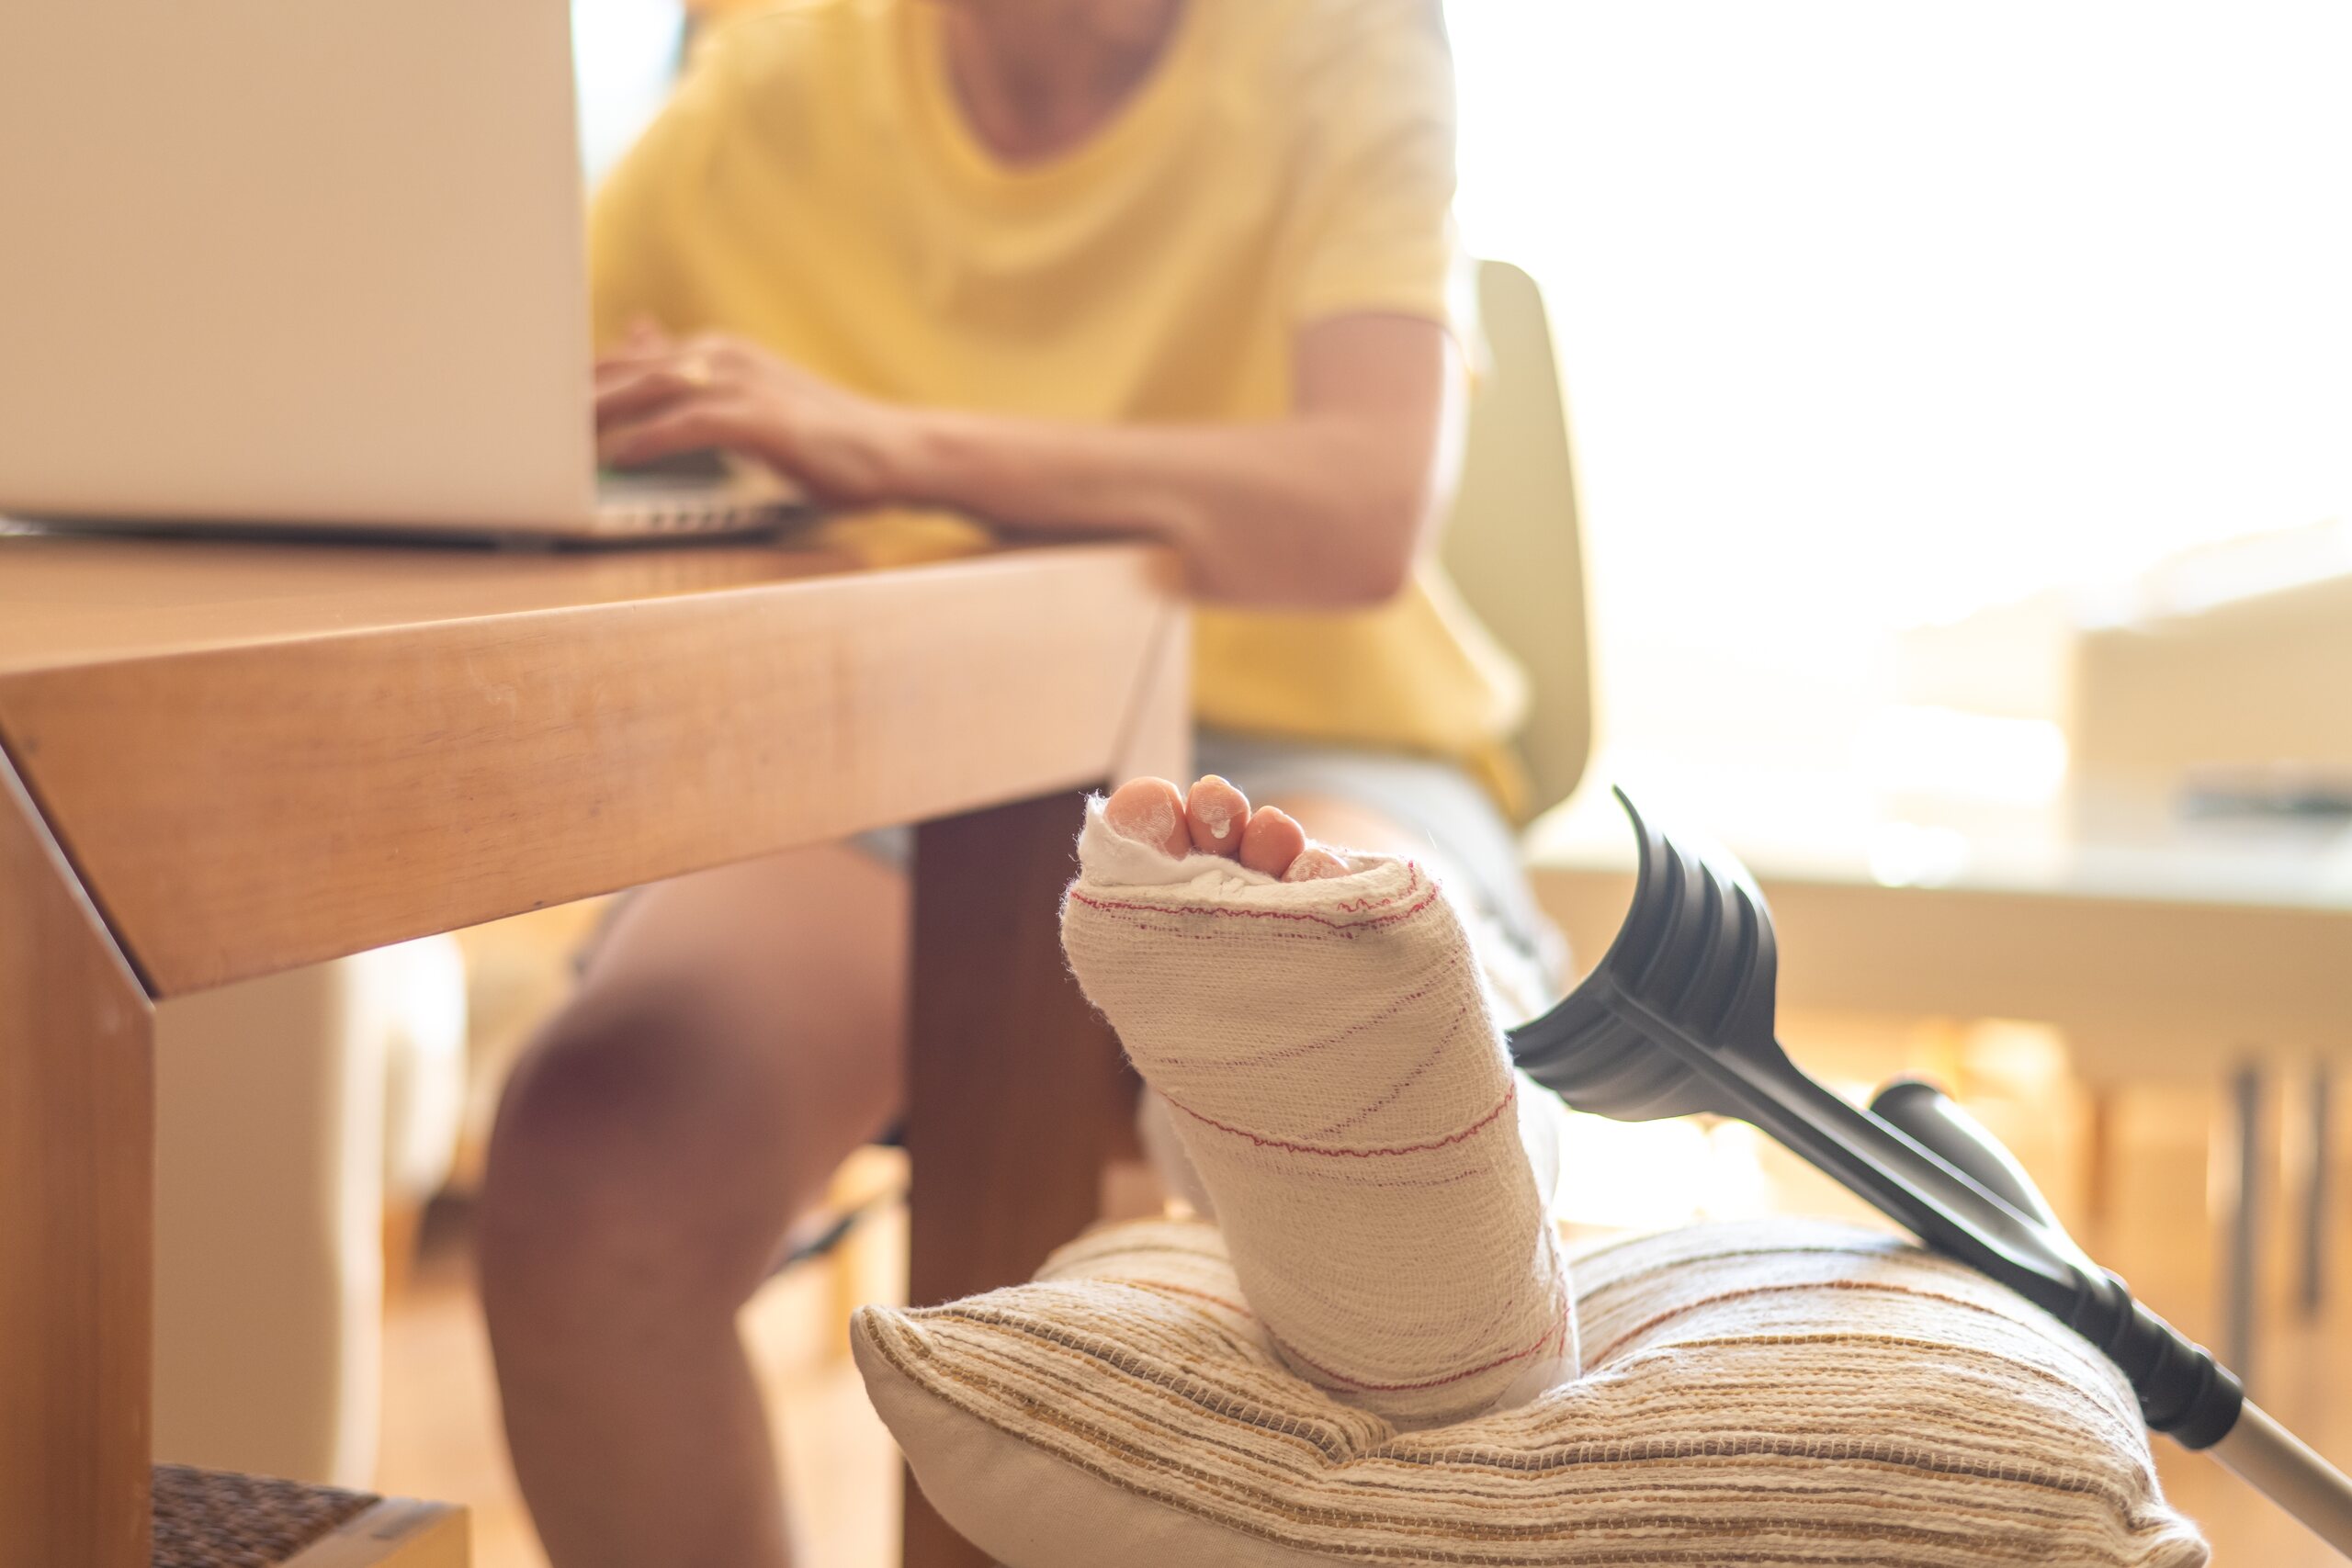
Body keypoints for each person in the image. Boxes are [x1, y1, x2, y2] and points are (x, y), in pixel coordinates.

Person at [476, 2, 1558, 1564]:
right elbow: (502, 416)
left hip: (1309, 741)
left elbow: (1361, 507)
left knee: (1340, 1043)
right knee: (595, 1178)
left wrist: (901, 449)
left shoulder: (1344, 37)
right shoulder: (762, 93)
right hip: (908, 760)